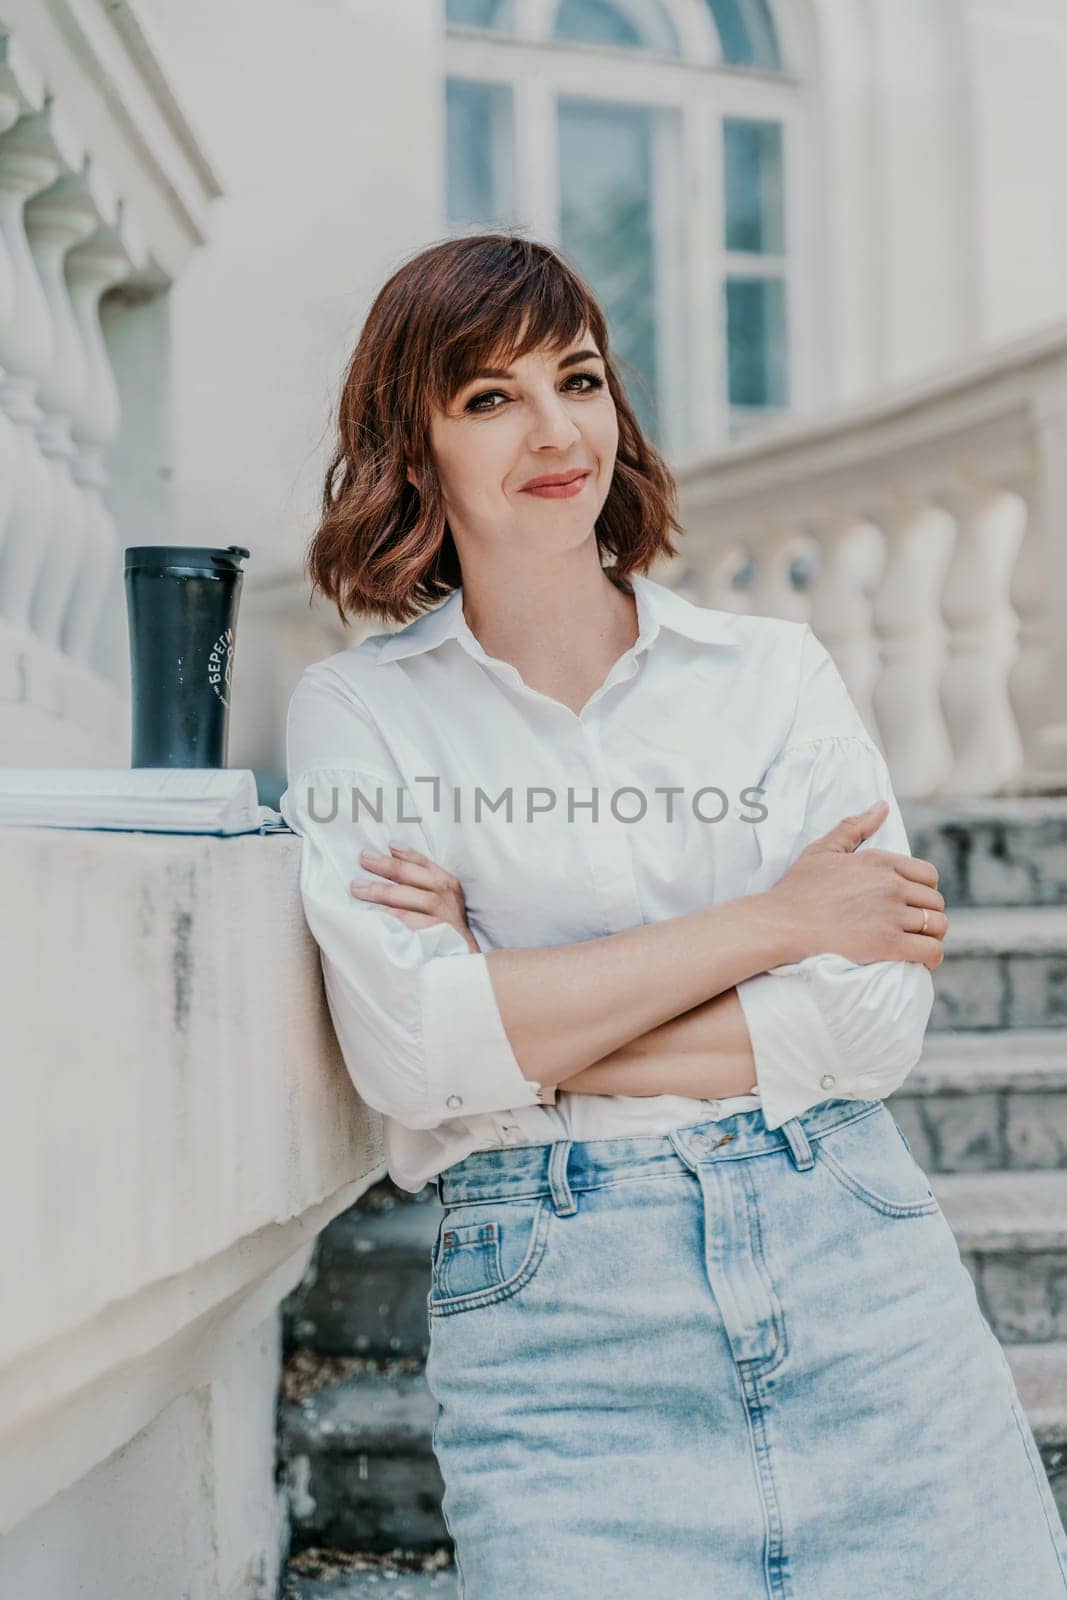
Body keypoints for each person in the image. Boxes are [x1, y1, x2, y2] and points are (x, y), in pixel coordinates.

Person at [281, 232, 1067, 1598]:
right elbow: (411, 1058)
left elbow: (869, 1025)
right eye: (488, 396)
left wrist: (508, 1003)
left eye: (576, 378)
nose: (552, 428)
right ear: (414, 450)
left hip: (864, 1287)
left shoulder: (770, 674)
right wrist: (774, 922)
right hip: (562, 1335)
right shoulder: (363, 714)